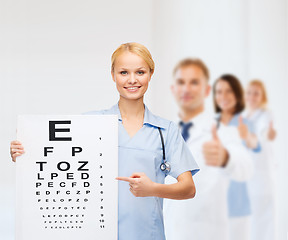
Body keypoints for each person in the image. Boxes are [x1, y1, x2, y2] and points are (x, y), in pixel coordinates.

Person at [10, 42, 199, 240]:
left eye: (140, 72)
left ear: (151, 74)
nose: (132, 80)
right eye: (124, 72)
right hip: (93, 233)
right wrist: (24, 152)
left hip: (146, 234)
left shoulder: (165, 131)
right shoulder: (90, 124)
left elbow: (188, 188)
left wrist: (152, 189)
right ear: (113, 75)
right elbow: (55, 163)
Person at [163, 58, 253, 240]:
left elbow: (246, 168)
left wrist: (226, 158)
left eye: (194, 82)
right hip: (169, 231)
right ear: (173, 89)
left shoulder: (222, 131)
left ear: (206, 90)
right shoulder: (163, 133)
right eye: (181, 82)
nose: (186, 89)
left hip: (206, 233)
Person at [213, 74, 261, 240]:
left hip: (238, 204)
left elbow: (255, 145)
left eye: (229, 91)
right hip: (212, 204)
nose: (223, 97)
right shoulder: (211, 123)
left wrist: (247, 137)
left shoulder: (244, 123)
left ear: (237, 94)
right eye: (219, 92)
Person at [243, 80, 277, 240]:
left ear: (262, 96)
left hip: (262, 178)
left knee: (264, 221)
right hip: (246, 177)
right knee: (249, 223)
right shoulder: (242, 117)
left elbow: (266, 133)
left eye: (256, 93)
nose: (252, 96)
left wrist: (266, 135)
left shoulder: (266, 115)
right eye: (249, 92)